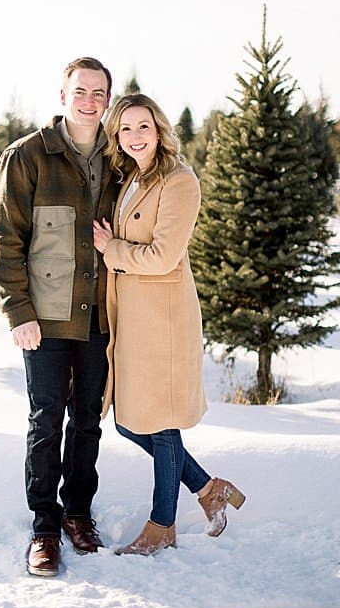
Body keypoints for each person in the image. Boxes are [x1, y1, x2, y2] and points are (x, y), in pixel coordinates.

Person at [92, 93, 245, 556]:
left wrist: (111, 250)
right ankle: (207, 488)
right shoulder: (133, 179)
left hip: (163, 320)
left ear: (159, 130)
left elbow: (162, 256)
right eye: (126, 129)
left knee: (159, 423)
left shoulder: (180, 181)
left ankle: (162, 526)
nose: (135, 136)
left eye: (144, 126)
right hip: (134, 320)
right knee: (128, 422)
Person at [0, 56, 119, 578]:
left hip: (99, 317)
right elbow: (4, 236)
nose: (90, 102)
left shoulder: (119, 156)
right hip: (43, 318)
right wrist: (17, 310)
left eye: (99, 93)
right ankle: (44, 526)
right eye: (81, 92)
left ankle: (78, 514)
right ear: (63, 96)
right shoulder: (28, 155)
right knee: (47, 421)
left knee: (88, 421)